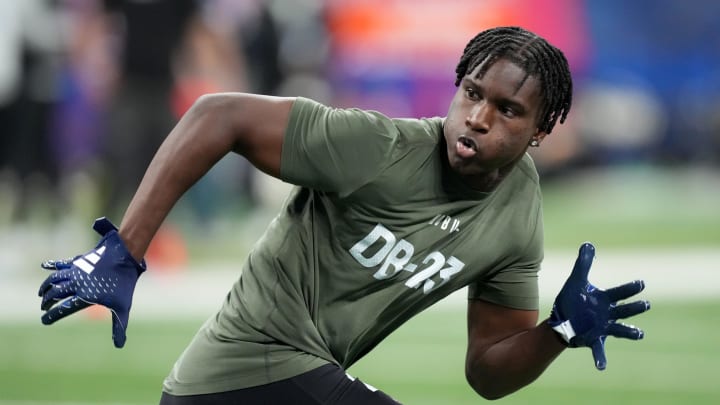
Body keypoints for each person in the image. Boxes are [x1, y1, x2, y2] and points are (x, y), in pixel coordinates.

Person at [37, 26, 650, 404]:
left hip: (295, 384)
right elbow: (215, 114)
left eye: (509, 110)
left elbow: (487, 374)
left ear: (543, 129)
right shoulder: (377, 148)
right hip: (242, 371)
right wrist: (126, 250)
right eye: (472, 93)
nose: (479, 117)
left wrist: (557, 333)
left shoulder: (518, 213)